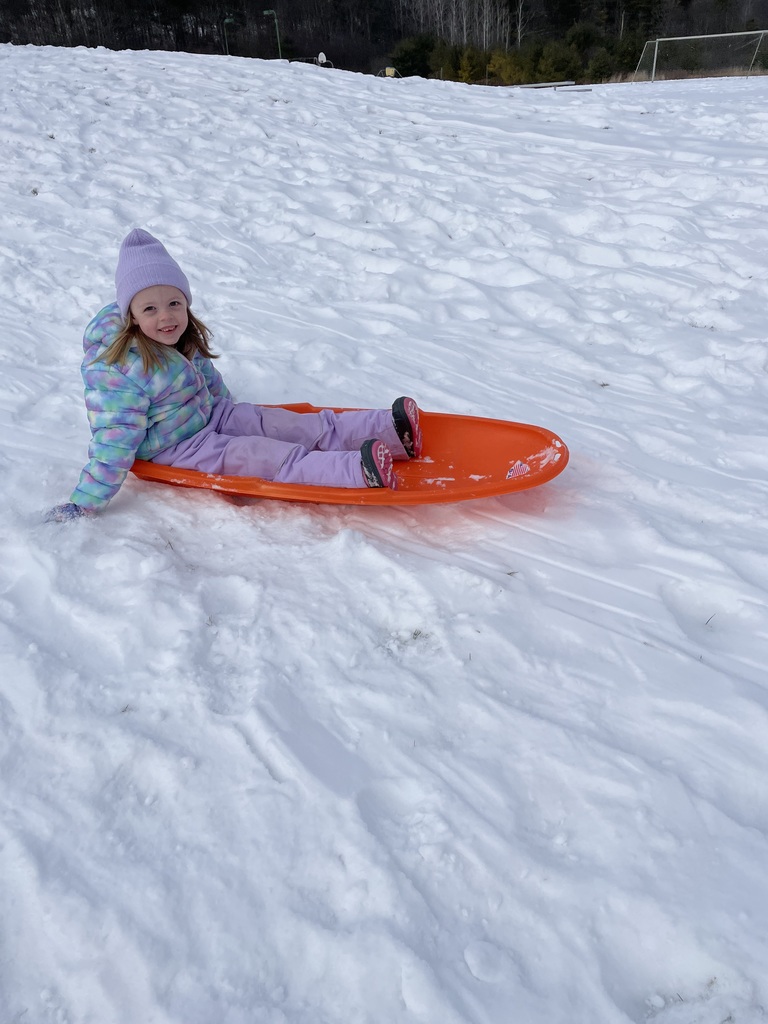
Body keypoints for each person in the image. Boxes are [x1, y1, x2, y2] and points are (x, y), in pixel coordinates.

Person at [46, 229, 422, 522]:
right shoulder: (119, 371)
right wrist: (84, 503)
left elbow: (205, 376)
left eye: (175, 303)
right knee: (266, 455)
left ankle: (391, 433)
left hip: (213, 415)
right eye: (151, 308)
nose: (167, 316)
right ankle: (358, 470)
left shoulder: (178, 336)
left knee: (285, 423)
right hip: (177, 447)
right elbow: (112, 443)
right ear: (131, 315)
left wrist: (235, 415)